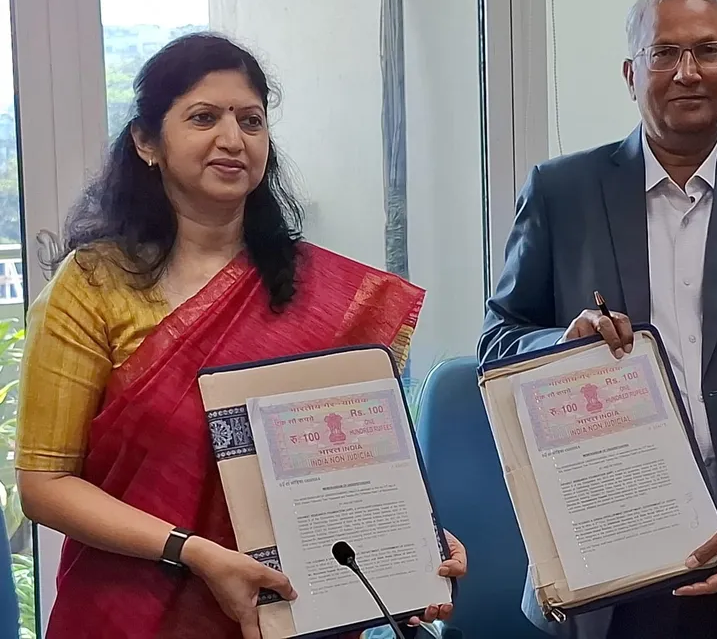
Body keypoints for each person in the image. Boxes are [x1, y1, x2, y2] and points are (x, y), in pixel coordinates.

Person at [16, 33, 466, 639]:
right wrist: (194, 551)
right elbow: (45, 485)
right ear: (147, 142)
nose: (233, 139)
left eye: (251, 121)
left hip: (290, 613)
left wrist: (410, 540)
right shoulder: (93, 286)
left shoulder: (326, 293)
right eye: (204, 117)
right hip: (128, 609)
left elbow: (349, 464)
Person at [479, 0, 717, 639]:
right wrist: (559, 344)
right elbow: (498, 341)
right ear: (630, 73)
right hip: (607, 551)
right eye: (662, 53)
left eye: (709, 51)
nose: (687, 72)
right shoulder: (560, 192)